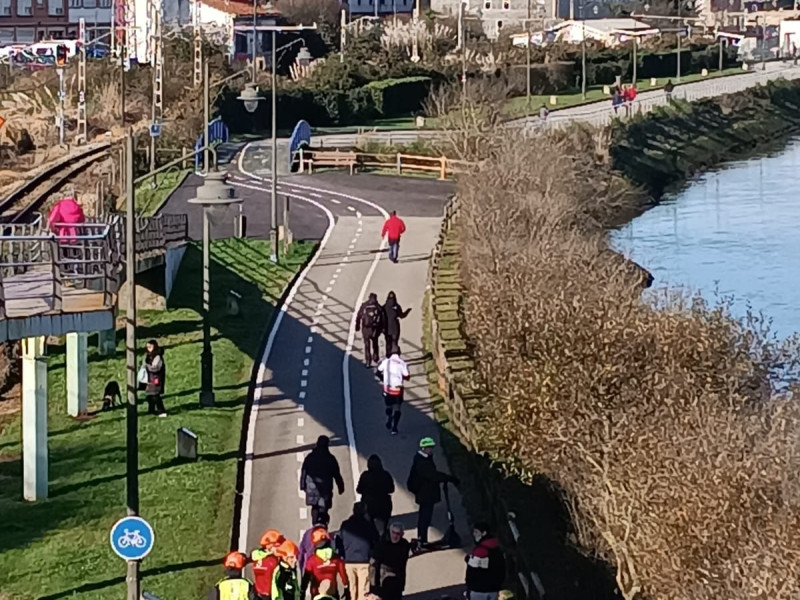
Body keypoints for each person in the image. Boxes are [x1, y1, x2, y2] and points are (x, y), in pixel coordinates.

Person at [406, 437, 459, 545]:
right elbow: (432, 475)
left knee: (424, 516)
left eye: (431, 447)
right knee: (425, 517)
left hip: (425, 493)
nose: (431, 450)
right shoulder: (422, 462)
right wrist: (448, 478)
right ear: (424, 448)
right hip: (425, 494)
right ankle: (422, 539)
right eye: (429, 448)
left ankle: (422, 538)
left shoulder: (424, 458)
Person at [335, 502, 378, 600]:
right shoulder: (368, 525)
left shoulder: (345, 525)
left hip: (349, 559)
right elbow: (375, 539)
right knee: (363, 590)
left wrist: (342, 554)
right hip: (364, 560)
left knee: (352, 588)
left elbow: (339, 540)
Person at [300, 435, 345, 524]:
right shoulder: (330, 458)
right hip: (325, 488)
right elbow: (336, 474)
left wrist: (302, 485)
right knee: (323, 508)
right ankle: (323, 525)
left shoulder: (310, 457)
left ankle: (314, 525)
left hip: (311, 488)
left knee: (314, 507)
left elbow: (304, 471)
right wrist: (341, 487)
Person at [369, 522, 412, 600]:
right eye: (393, 532)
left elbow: (404, 562)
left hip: (397, 582)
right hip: (383, 582)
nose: (395, 536)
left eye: (398, 533)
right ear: (390, 531)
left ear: (402, 534)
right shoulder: (381, 544)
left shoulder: (404, 544)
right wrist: (373, 587)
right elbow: (374, 566)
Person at [301, 534, 350, 600]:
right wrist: (346, 588)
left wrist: (303, 591)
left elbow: (306, 577)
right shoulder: (336, 559)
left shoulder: (312, 560)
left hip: (316, 593)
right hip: (332, 592)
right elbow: (343, 574)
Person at [465, 522, 506, 600]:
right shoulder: (496, 548)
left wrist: (468, 559)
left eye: (476, 532)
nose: (474, 534)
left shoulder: (481, 551)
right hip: (494, 589)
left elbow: (474, 569)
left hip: (479, 590)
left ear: (484, 533)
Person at [356, 454, 395, 535]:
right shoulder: (385, 475)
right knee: (384, 524)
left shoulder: (365, 475)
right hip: (384, 505)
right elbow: (391, 489)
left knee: (368, 525)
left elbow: (359, 490)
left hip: (369, 505)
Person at [376, 348, 410, 435]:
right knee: (397, 408)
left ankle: (389, 417)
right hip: (398, 389)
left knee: (388, 406)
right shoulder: (402, 363)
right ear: (399, 353)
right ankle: (394, 428)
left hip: (388, 388)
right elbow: (407, 376)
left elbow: (378, 372)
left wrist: (383, 379)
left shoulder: (386, 362)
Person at [252, 529, 286, 599]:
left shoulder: (257, 557)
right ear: (269, 547)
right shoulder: (273, 561)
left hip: (258, 593)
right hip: (272, 595)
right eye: (277, 546)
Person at [355, 292, 384, 368]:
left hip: (366, 329)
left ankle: (368, 361)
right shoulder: (378, 306)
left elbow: (359, 315)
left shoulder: (364, 305)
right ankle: (375, 357)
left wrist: (357, 326)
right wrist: (382, 328)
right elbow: (383, 318)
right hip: (375, 329)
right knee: (375, 342)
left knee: (367, 345)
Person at [381, 291, 410, 356]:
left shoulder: (384, 307)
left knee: (388, 343)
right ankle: (396, 356)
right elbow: (402, 316)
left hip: (387, 328)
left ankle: (388, 356)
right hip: (395, 328)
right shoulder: (397, 306)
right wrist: (408, 310)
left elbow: (381, 317)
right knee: (395, 343)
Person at [143, 339, 166, 417]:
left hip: (156, 379)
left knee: (155, 396)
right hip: (149, 379)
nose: (148, 348)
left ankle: (161, 411)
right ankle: (151, 410)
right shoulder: (149, 356)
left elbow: (156, 368)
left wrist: (147, 367)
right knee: (149, 396)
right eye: (147, 347)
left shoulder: (158, 357)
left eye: (150, 346)